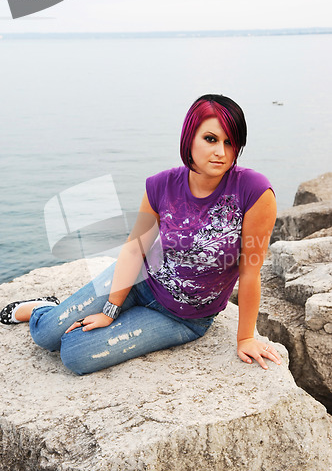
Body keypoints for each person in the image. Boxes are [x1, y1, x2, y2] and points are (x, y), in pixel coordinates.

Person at [0, 93, 281, 375]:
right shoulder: (161, 185)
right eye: (210, 139)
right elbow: (136, 249)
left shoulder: (253, 192)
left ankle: (105, 315)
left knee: (74, 354)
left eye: (230, 142)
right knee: (45, 335)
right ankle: (43, 308)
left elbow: (250, 272)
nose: (221, 151)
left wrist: (245, 337)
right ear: (189, 138)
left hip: (184, 319)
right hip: (139, 280)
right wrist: (111, 309)